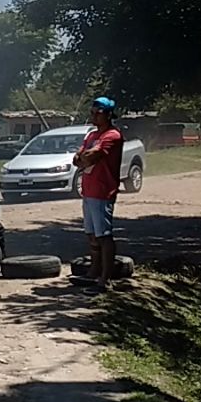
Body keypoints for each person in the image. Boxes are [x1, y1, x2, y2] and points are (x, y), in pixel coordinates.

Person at [73, 96, 124, 289]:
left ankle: (106, 278)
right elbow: (77, 159)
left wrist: (84, 157)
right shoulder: (91, 136)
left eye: (98, 113)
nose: (94, 116)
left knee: (104, 235)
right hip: (88, 189)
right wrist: (83, 157)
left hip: (103, 190)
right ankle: (93, 272)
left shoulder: (112, 135)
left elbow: (90, 157)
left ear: (109, 115)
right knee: (92, 234)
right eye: (92, 113)